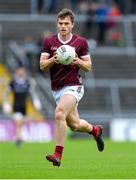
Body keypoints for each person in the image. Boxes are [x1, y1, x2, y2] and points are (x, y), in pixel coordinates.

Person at [40, 8, 104, 167]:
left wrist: (77, 61)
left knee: (59, 113)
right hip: (57, 89)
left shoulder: (80, 42)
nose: (63, 26)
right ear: (57, 24)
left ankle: (57, 155)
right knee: (74, 125)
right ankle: (95, 130)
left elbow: (88, 66)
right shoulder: (49, 41)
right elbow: (42, 65)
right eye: (60, 23)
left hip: (74, 86)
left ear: (72, 25)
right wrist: (54, 59)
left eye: (66, 23)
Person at [3, 66, 41, 147]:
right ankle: (18, 138)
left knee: (22, 122)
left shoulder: (27, 82)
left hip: (24, 106)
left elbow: (32, 93)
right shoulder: (13, 82)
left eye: (22, 71)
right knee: (18, 122)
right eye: (20, 71)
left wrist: (36, 100)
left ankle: (20, 136)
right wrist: (6, 103)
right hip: (16, 105)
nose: (21, 72)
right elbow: (7, 93)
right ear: (17, 72)